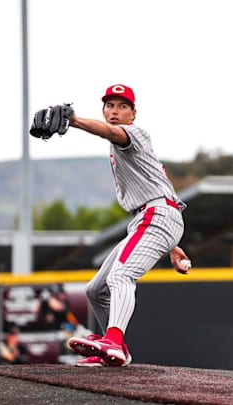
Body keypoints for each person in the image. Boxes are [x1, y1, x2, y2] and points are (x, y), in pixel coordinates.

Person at [54, 84, 191, 367]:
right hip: (152, 217)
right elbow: (156, 189)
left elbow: (111, 132)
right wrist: (173, 246)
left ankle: (113, 340)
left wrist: (74, 120)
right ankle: (116, 350)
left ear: (133, 114)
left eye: (122, 106)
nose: (115, 112)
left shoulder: (134, 134)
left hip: (156, 215)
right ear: (103, 109)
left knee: (120, 276)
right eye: (110, 106)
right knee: (96, 290)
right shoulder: (120, 149)